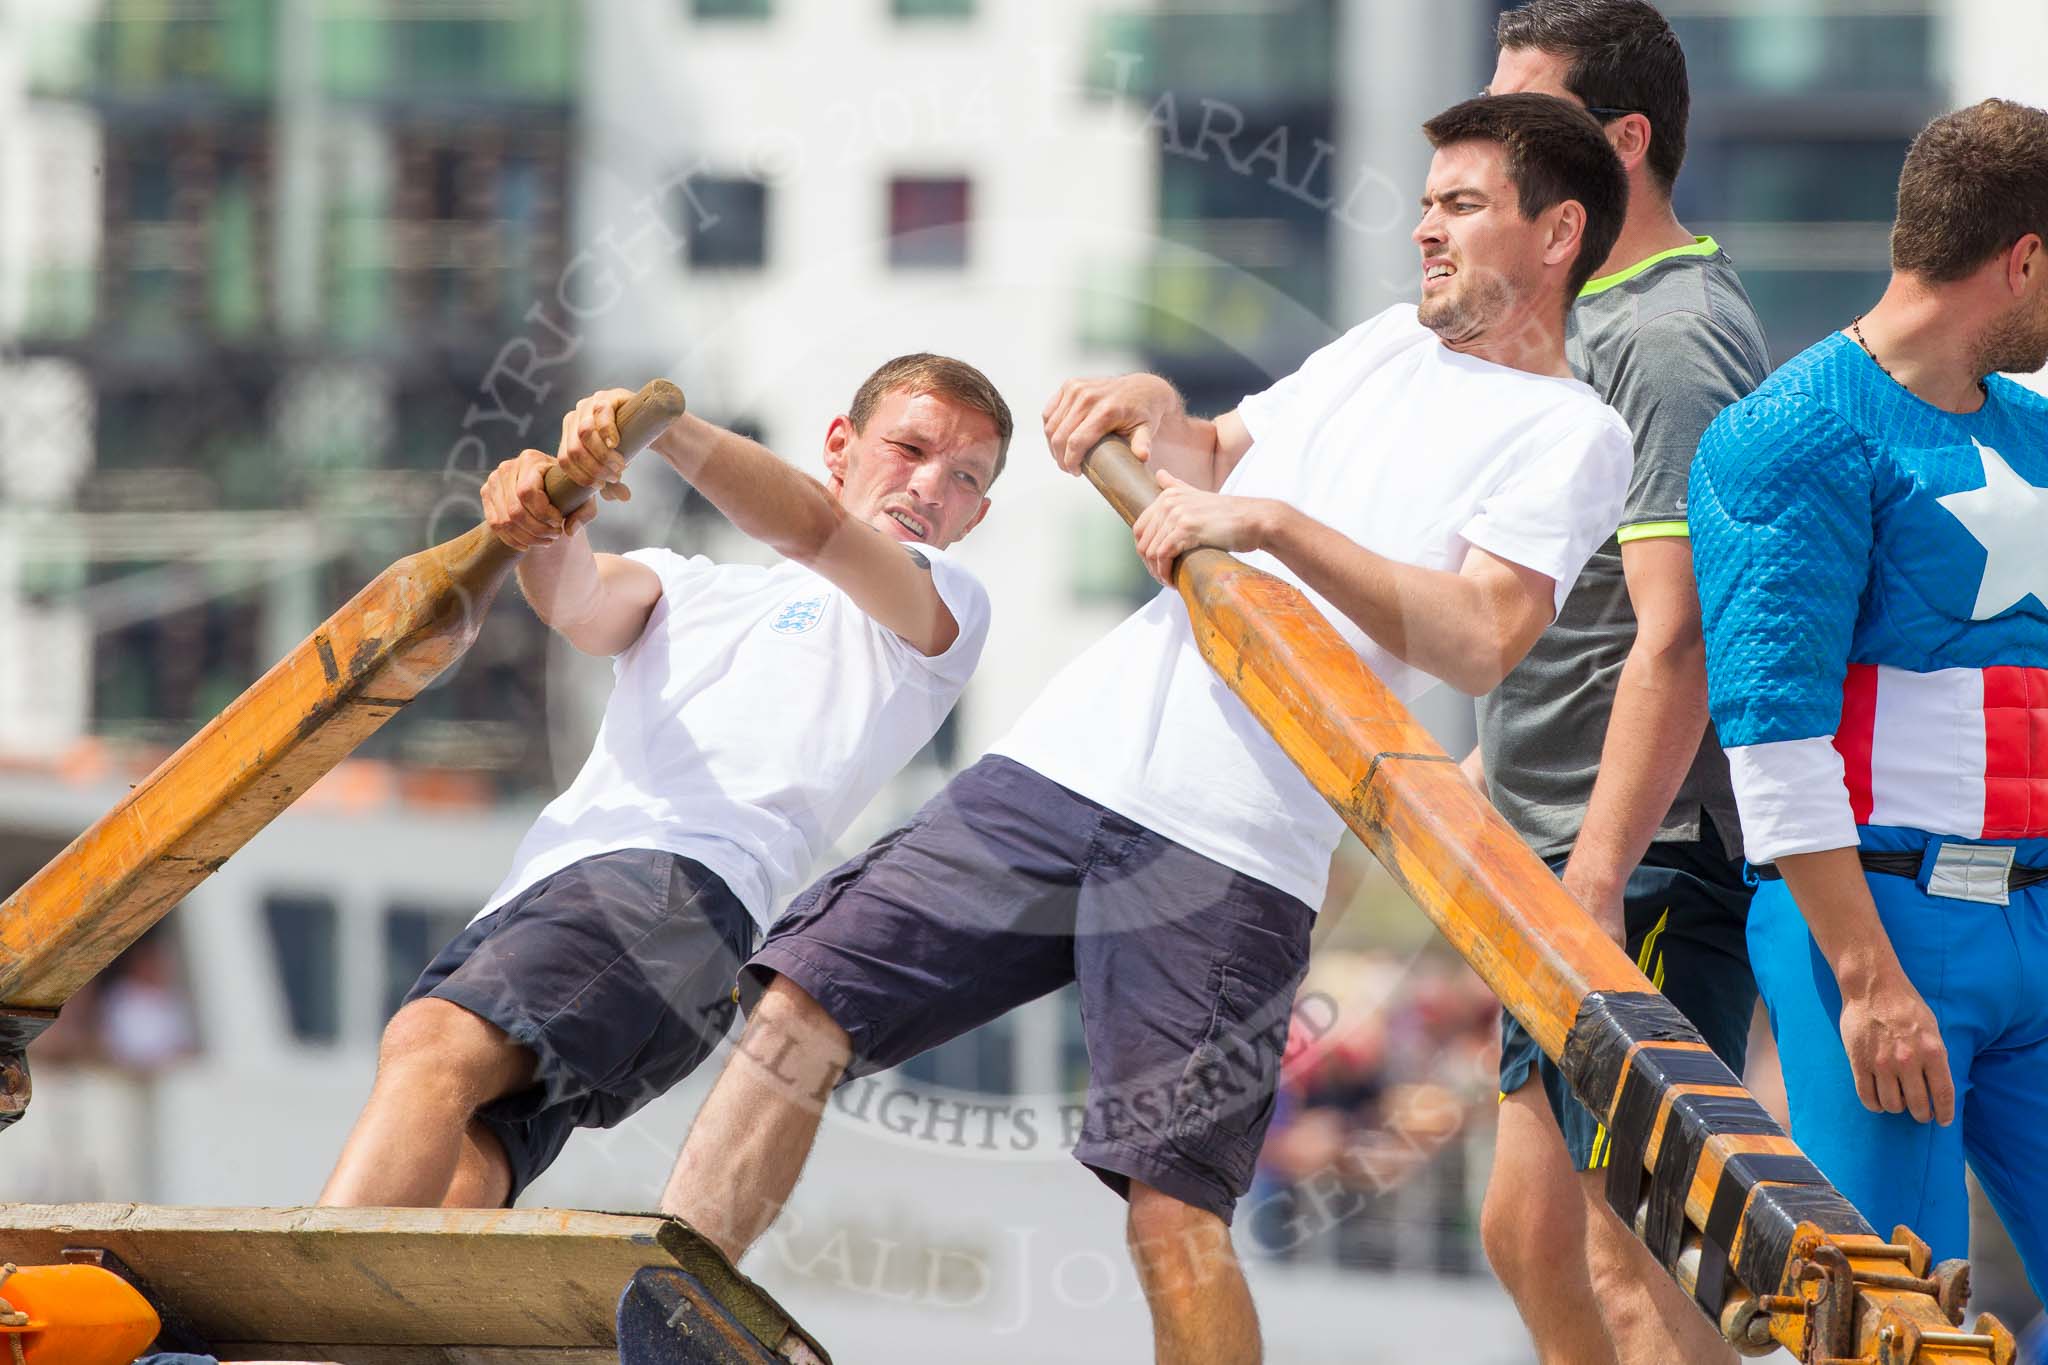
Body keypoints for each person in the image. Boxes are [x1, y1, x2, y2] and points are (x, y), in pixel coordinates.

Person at [659, 93, 1633, 1364]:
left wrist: (1275, 529)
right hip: (1066, 763)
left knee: (1172, 1216)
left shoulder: (1574, 431)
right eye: (1425, 202)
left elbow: (1477, 636)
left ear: (1556, 233)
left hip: (1234, 844)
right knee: (800, 1007)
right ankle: (671, 1312)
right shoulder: (1384, 340)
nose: (1423, 230)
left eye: (1459, 205)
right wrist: (1153, 406)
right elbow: (1219, 452)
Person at [319, 354, 1009, 1208]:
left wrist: (663, 428)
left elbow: (815, 532)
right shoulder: (688, 583)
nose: (931, 486)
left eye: (965, 477)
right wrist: (544, 504)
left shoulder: (943, 608)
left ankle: (285, 1340)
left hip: (674, 884)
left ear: (977, 513)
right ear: (841, 444)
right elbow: (575, 603)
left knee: (431, 1044)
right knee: (471, 1144)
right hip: (565, 881)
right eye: (909, 448)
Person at [1692, 98, 2048, 1297]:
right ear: (2023, 260)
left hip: (2033, 911)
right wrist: (1864, 979)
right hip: (1884, 929)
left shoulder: (2035, 431)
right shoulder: (1787, 435)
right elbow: (1772, 733)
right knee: (1896, 1318)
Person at [1473, 4, 1773, 1361]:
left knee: (1635, 1244)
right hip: (1555, 856)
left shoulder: (1666, 338)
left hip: (1640, 858)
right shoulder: (1580, 316)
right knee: (1530, 1236)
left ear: (1622, 142)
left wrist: (1594, 873)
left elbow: (1680, 634)